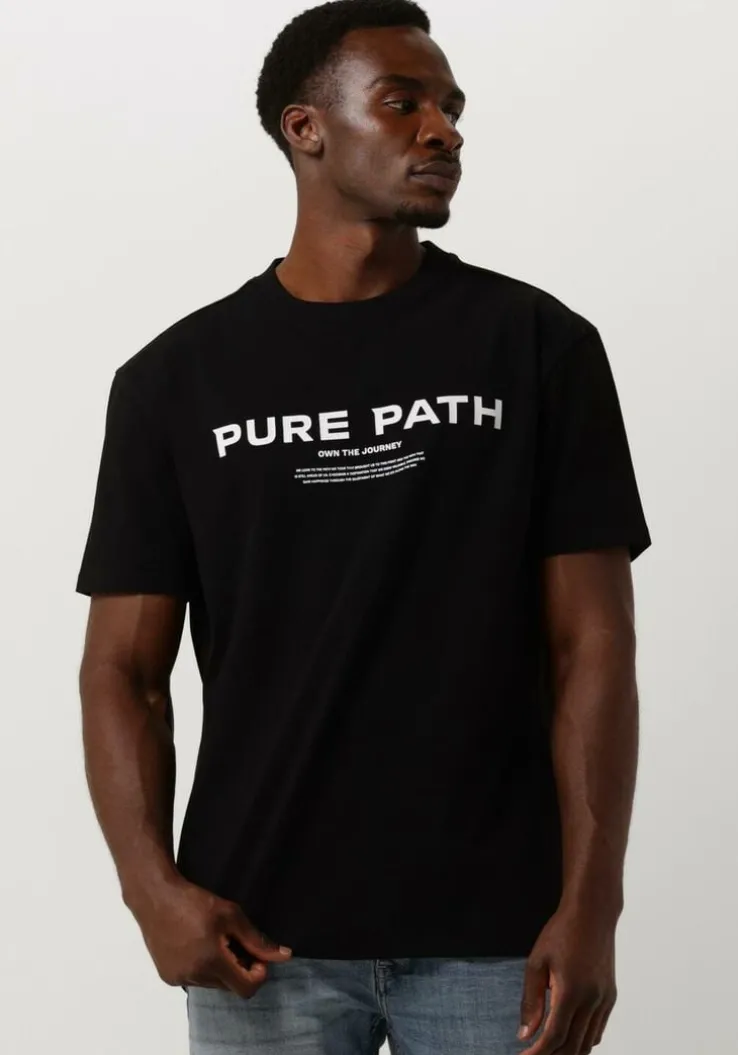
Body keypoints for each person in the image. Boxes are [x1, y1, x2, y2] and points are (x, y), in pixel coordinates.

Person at [75, 1, 652, 1053]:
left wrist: (594, 904)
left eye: (452, 108)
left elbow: (595, 644)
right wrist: (150, 889)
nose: (444, 130)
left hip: (500, 932)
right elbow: (122, 671)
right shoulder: (175, 381)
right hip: (258, 936)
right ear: (306, 128)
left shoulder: (538, 347)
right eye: (404, 103)